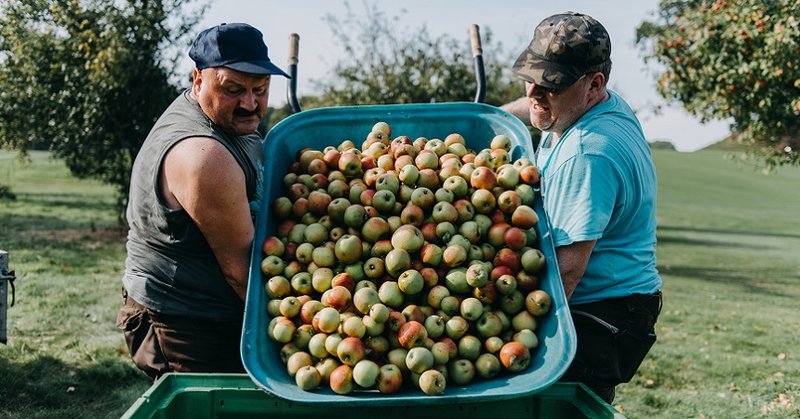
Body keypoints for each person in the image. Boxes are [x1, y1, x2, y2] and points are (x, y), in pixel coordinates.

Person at [502, 12, 663, 403]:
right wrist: (490, 119)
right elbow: (535, 106)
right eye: (531, 79)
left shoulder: (587, 154)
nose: (535, 94)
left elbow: (567, 273)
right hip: (619, 299)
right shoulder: (600, 106)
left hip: (602, 312)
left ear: (593, 84)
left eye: (552, 84)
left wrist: (503, 329)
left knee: (559, 406)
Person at [116, 22, 289, 380]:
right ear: (198, 79)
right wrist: (301, 332)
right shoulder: (204, 156)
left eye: (261, 89)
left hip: (216, 308)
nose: (250, 103)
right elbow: (240, 271)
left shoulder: (230, 121)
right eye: (233, 89)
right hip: (185, 323)